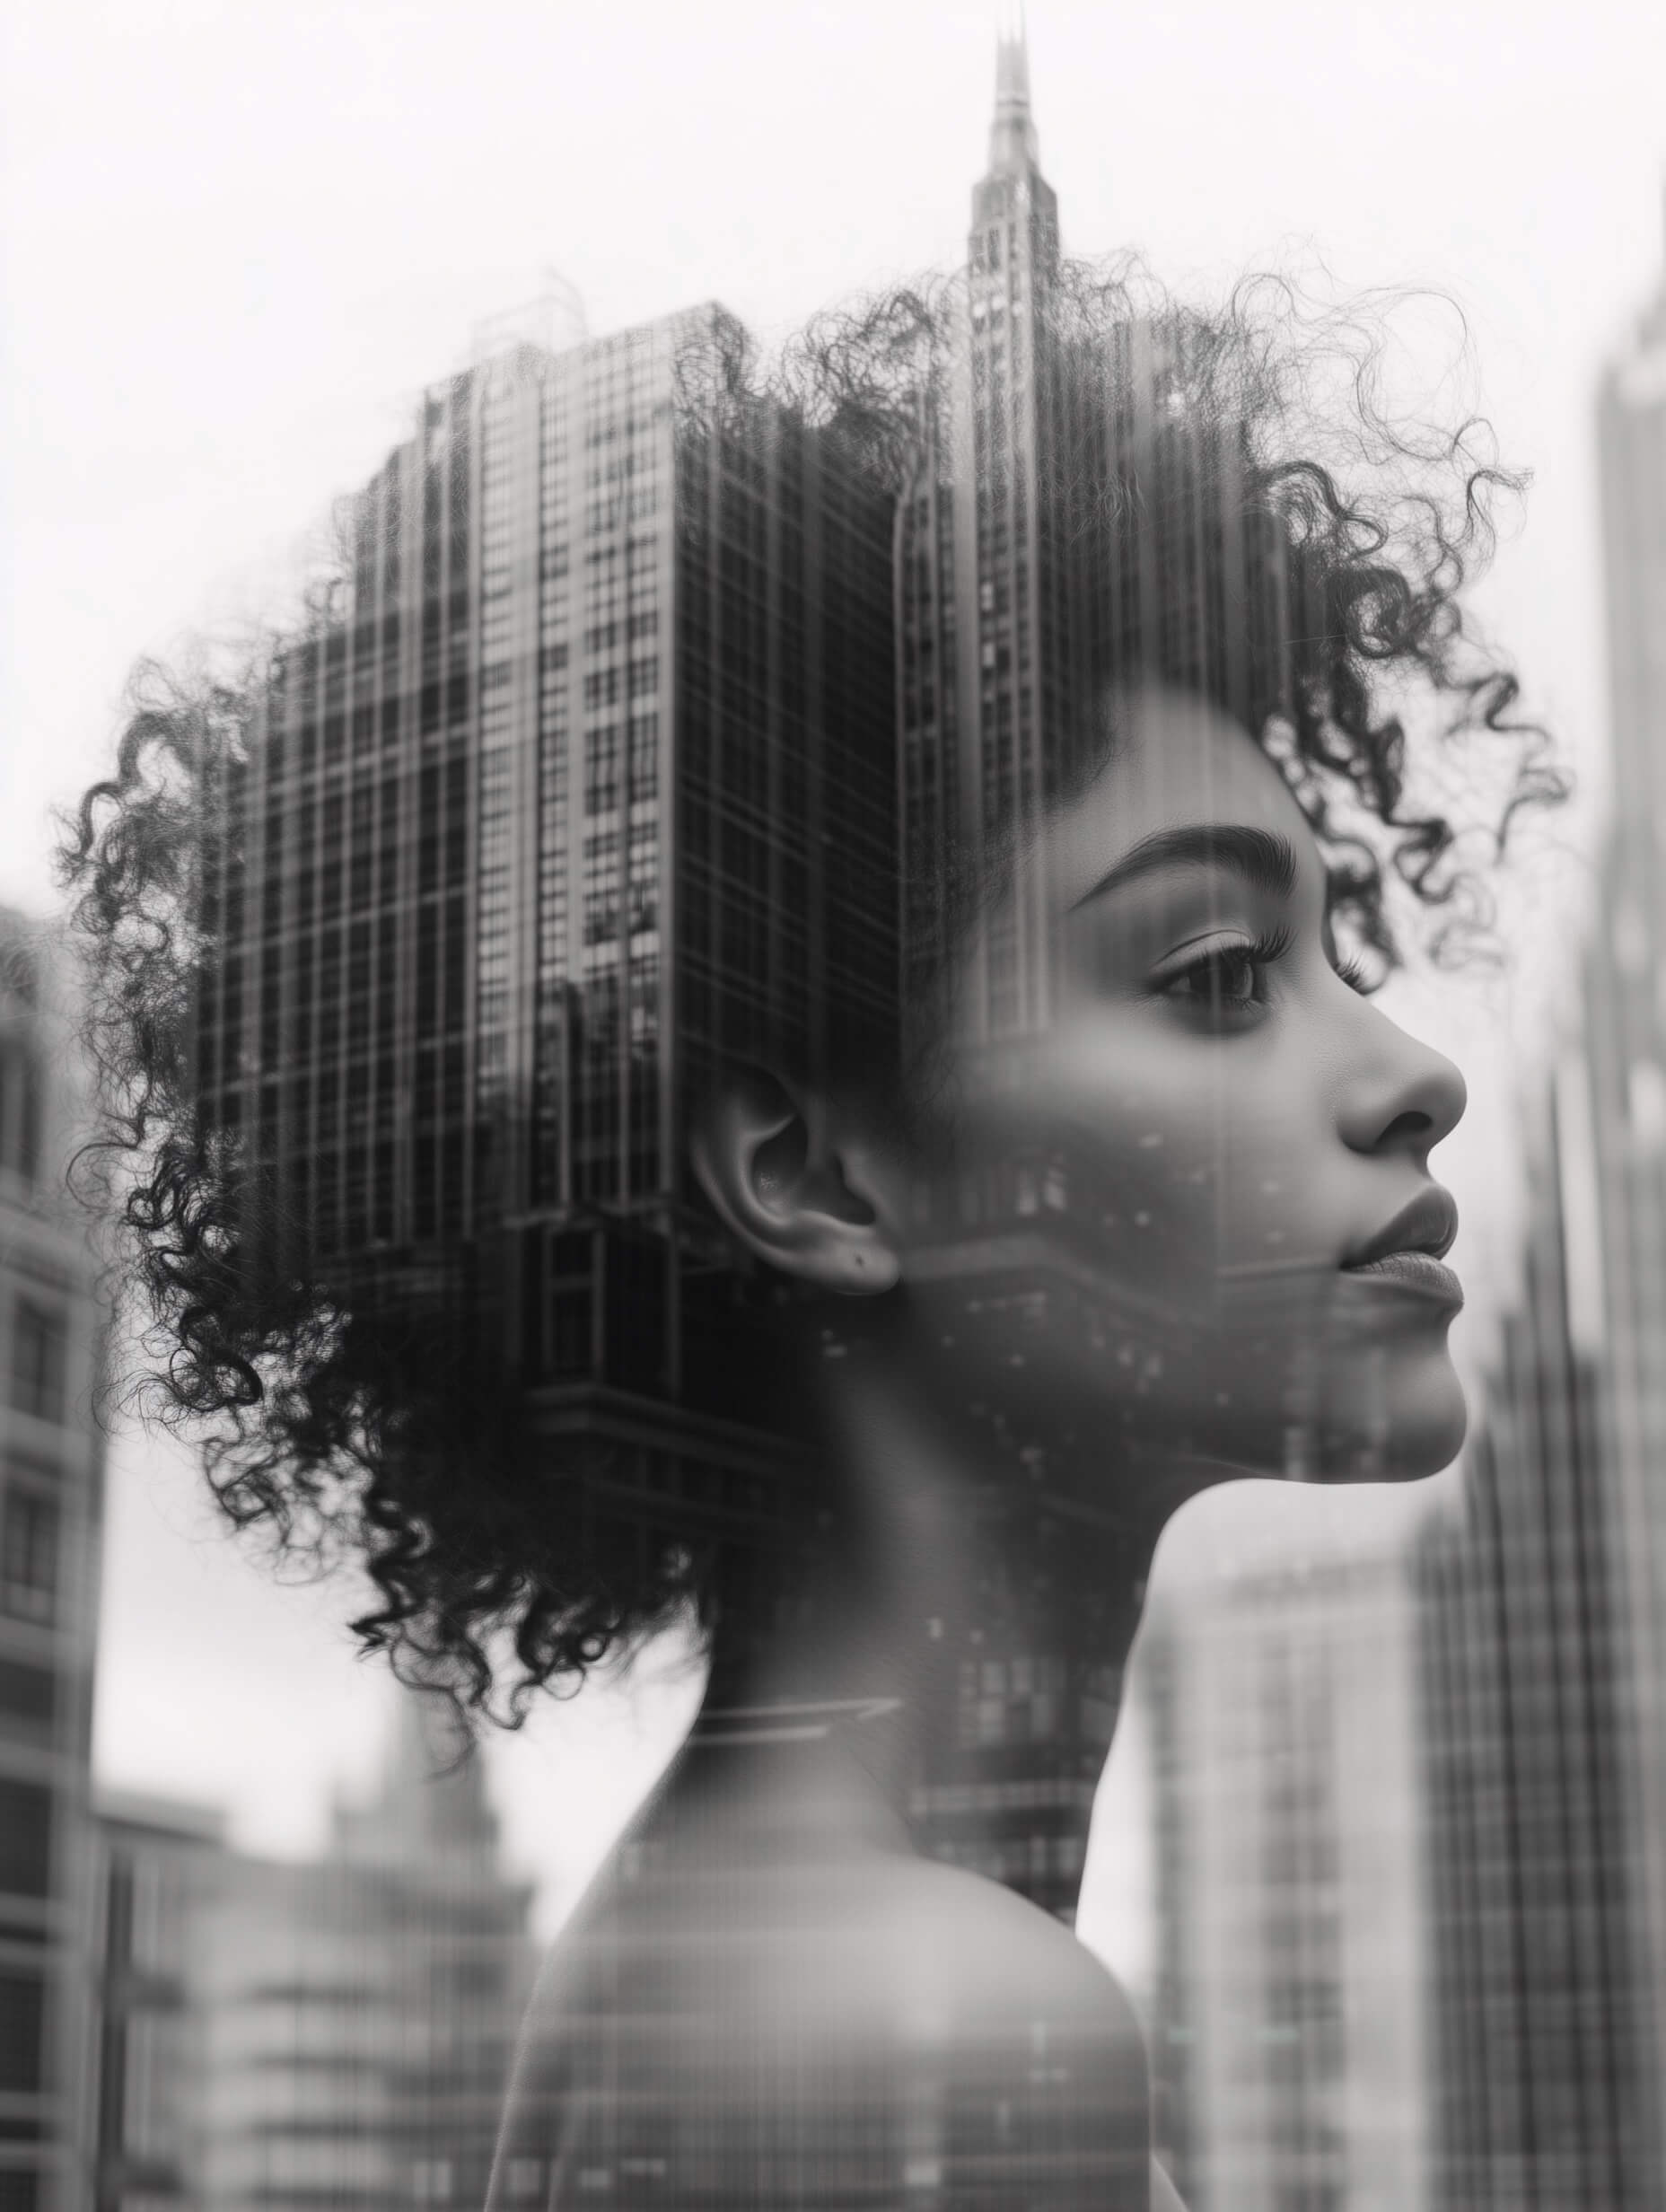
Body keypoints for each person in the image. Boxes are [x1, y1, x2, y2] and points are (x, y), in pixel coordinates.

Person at [62, 267, 1556, 2209]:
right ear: (821, 1176)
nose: (1412, 1072)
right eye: (1210, 972)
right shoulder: (939, 2024)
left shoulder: (732, 1939)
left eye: (1339, 956)